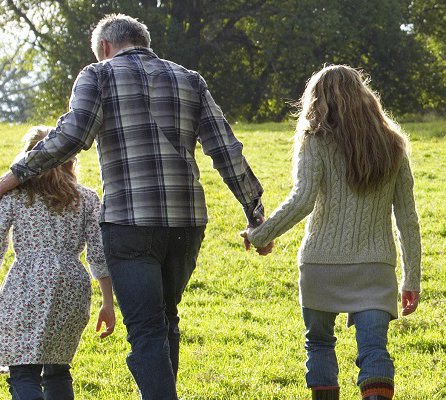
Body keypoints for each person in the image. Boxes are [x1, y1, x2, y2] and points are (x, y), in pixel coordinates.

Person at [0, 14, 271, 400]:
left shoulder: (98, 75)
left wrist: (13, 177)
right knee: (166, 318)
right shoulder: (190, 79)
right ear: (142, 41)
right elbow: (225, 149)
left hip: (129, 222)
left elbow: (73, 135)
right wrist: (255, 214)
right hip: (187, 223)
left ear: (105, 47)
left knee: (146, 328)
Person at [244, 65, 422, 400]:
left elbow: (302, 201)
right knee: (374, 350)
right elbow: (407, 218)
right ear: (364, 97)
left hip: (320, 264)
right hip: (375, 267)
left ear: (317, 99)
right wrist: (411, 278)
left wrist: (260, 234)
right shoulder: (393, 145)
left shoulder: (315, 141)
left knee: (320, 343)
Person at [0, 126, 115, 400]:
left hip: (27, 284)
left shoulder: (16, 196)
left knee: (24, 372)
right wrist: (107, 303)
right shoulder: (86, 197)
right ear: (70, 160)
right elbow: (99, 254)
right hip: (73, 285)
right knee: (57, 370)